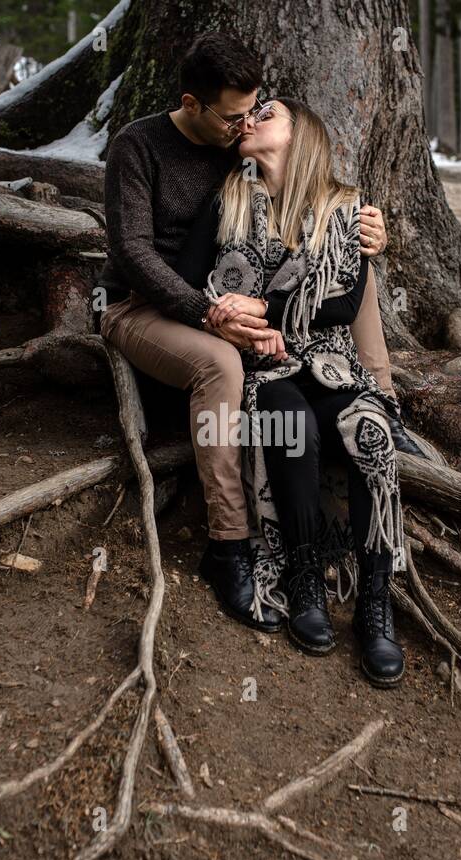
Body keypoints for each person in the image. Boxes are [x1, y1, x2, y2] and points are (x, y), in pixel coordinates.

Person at [98, 32, 421, 638]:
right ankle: (229, 547)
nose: (245, 123)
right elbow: (134, 253)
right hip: (143, 308)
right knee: (221, 364)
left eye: (255, 111)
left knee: (351, 275)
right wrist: (214, 312)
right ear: (193, 104)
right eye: (234, 115)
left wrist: (363, 226)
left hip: (222, 310)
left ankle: (383, 402)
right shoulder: (138, 147)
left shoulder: (238, 150)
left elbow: (305, 201)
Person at [174, 98, 406, 687]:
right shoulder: (226, 200)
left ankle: (377, 606)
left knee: (371, 436)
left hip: (332, 365)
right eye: (247, 115)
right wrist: (228, 318)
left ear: (301, 134)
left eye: (266, 113)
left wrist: (265, 304)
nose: (248, 120)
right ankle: (303, 581)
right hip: (261, 367)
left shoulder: (345, 210)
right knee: (289, 426)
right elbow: (186, 281)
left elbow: (345, 299)